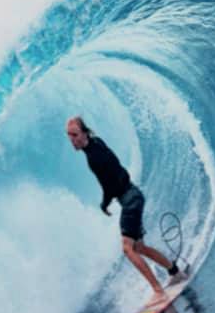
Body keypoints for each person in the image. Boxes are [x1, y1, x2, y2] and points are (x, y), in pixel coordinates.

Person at [66, 116, 180, 302]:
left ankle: (159, 291)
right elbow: (113, 173)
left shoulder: (95, 157)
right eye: (69, 135)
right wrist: (111, 194)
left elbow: (110, 181)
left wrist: (105, 202)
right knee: (139, 247)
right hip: (133, 195)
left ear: (84, 133)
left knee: (128, 248)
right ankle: (175, 272)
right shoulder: (95, 143)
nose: (72, 139)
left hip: (130, 200)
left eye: (75, 135)